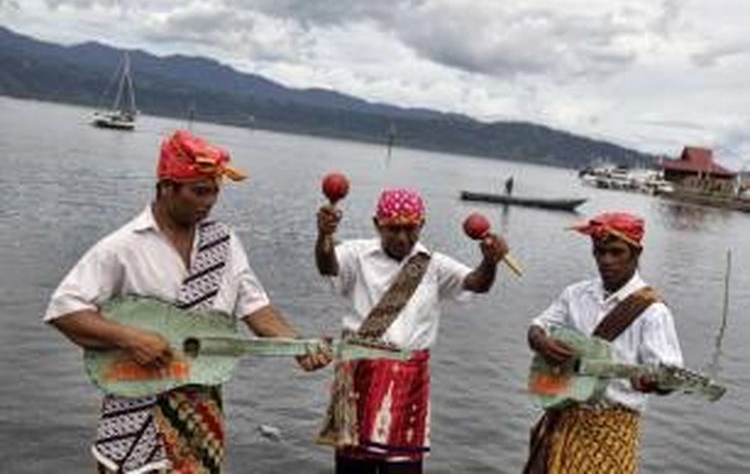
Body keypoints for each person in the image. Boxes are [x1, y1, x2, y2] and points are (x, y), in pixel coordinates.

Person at [44, 130, 331, 473]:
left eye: (214, 192)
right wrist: (131, 338)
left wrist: (297, 344)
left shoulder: (223, 243)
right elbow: (64, 309)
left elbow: (255, 307)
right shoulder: (123, 246)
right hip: (137, 404)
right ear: (166, 186)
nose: (209, 202)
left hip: (202, 406)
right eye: (199, 191)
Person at [315, 188, 509, 474]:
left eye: (410, 229)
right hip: (360, 375)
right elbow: (327, 265)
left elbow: (477, 283)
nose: (403, 237)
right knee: (353, 466)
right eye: (394, 229)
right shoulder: (356, 254)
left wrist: (490, 262)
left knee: (404, 467)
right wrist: (324, 236)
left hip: (409, 381)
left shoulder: (433, 265)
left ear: (422, 225)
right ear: (376, 224)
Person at [523, 212, 683, 474]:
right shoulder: (576, 294)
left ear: (636, 253)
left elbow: (669, 377)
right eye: (599, 252)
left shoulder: (653, 312)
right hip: (563, 413)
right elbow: (538, 326)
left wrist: (654, 383)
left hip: (612, 427)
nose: (606, 260)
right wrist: (540, 342)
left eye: (616, 252)